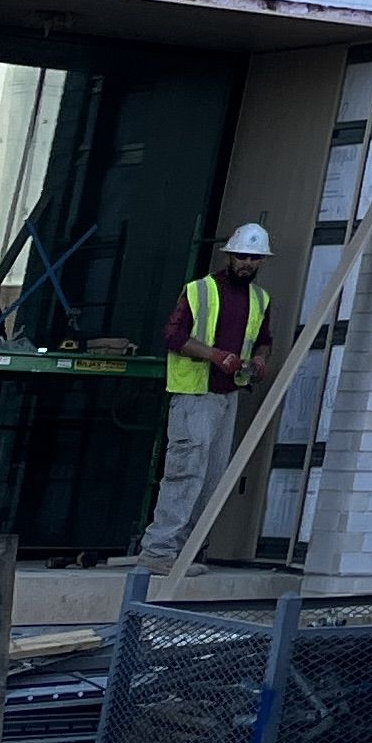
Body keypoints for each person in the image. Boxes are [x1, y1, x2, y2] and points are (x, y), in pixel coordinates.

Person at [136, 223, 276, 567]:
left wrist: (258, 360)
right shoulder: (200, 290)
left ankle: (188, 552)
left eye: (254, 258)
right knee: (185, 472)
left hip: (227, 395)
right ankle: (160, 551)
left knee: (212, 477)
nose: (247, 263)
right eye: (242, 256)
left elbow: (264, 340)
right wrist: (216, 356)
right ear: (229, 255)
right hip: (195, 394)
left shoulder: (260, 298)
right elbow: (173, 336)